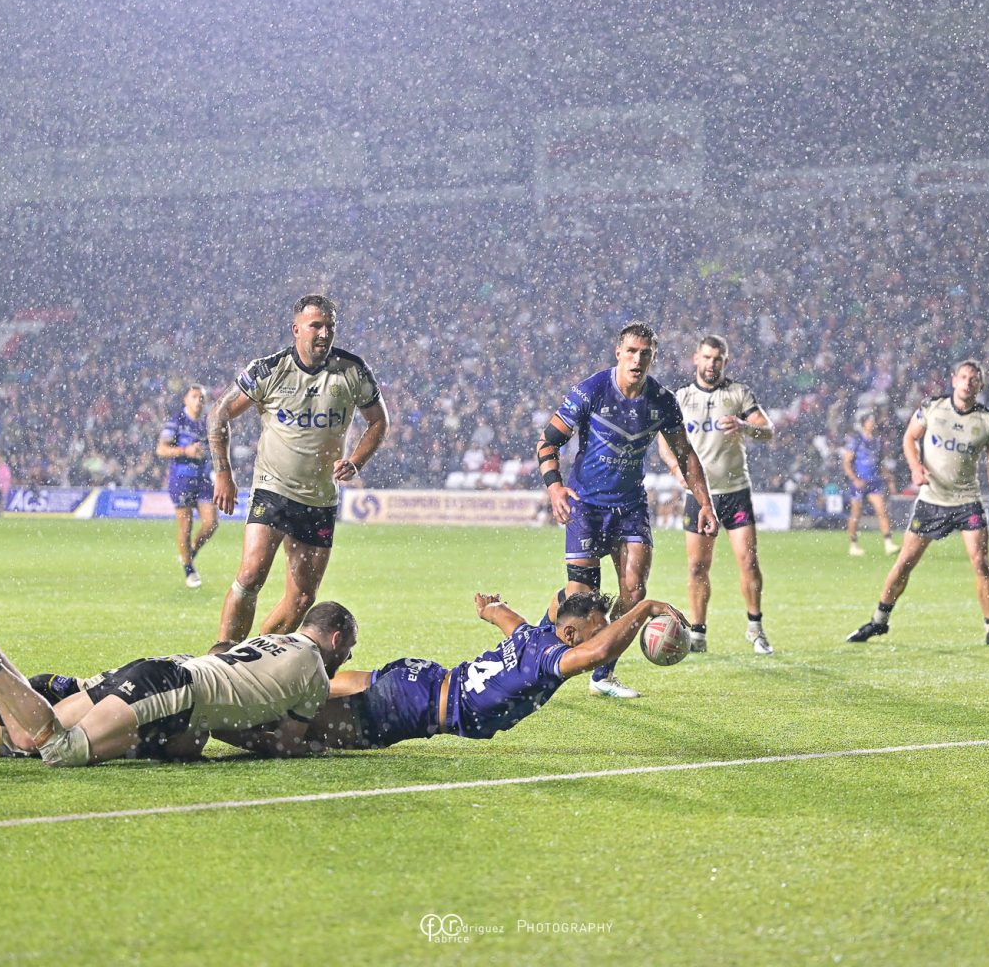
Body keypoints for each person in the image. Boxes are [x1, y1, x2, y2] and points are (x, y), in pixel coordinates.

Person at [0, 591, 357, 765]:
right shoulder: (316, 673)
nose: (348, 656)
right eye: (348, 648)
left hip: (163, 670)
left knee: (28, 738)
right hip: (173, 691)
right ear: (334, 638)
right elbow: (284, 743)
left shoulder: (273, 639)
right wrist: (314, 746)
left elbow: (218, 656)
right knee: (58, 751)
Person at [228, 589, 686, 753]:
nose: (599, 641)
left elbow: (502, 615)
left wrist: (490, 608)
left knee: (309, 691)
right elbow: (598, 653)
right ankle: (217, 720)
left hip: (410, 678)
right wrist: (642, 608)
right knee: (294, 735)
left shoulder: (531, 636)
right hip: (411, 706)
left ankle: (236, 673)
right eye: (592, 632)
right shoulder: (552, 659)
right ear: (568, 636)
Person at [538, 322, 717, 699]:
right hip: (586, 506)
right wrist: (555, 487)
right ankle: (538, 634)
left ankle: (603, 675)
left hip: (631, 506)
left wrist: (705, 503)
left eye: (645, 354)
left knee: (634, 591)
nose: (638, 359)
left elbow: (685, 453)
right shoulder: (590, 391)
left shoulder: (662, 402)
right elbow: (547, 442)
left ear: (653, 358)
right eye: (632, 351)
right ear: (618, 353)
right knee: (580, 605)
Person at [208, 295, 389, 646]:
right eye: (316, 326)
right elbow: (219, 414)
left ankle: (255, 659)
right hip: (273, 488)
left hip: (319, 498)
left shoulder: (352, 371)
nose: (324, 333)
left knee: (302, 599)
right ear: (296, 330)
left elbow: (379, 420)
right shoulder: (270, 369)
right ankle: (219, 663)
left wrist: (356, 460)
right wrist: (223, 473)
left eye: (330, 326)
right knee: (250, 575)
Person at [847, 359, 989, 647]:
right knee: (904, 563)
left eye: (973, 379)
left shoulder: (988, 421)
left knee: (980, 562)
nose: (967, 383)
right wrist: (914, 467)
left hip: (967, 500)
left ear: (980, 386)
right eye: (963, 377)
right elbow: (909, 438)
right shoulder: (932, 407)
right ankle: (878, 622)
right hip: (932, 500)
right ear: (953, 380)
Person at [654, 334, 775, 655]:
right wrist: (675, 469)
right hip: (698, 495)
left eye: (718, 359)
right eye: (707, 357)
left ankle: (755, 629)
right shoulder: (680, 398)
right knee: (697, 567)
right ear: (696, 359)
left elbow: (768, 431)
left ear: (725, 361)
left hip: (734, 492)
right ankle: (698, 634)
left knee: (748, 561)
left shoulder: (738, 394)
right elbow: (664, 441)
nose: (711, 364)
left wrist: (745, 426)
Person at [157, 385, 218, 588]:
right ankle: (189, 570)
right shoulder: (177, 421)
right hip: (181, 479)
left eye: (201, 397)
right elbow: (161, 449)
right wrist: (186, 450)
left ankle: (189, 552)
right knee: (186, 526)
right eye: (194, 397)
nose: (198, 401)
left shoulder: (207, 423)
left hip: (202, 480)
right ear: (186, 400)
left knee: (211, 523)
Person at [841, 410, 900, 558]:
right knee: (856, 514)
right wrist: (855, 479)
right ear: (863, 424)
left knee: (882, 511)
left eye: (873, 421)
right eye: (870, 421)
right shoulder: (856, 440)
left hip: (874, 482)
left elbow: (879, 462)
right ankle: (853, 544)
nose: (872, 424)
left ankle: (888, 543)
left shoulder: (878, 441)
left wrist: (888, 477)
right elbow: (847, 462)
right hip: (859, 483)